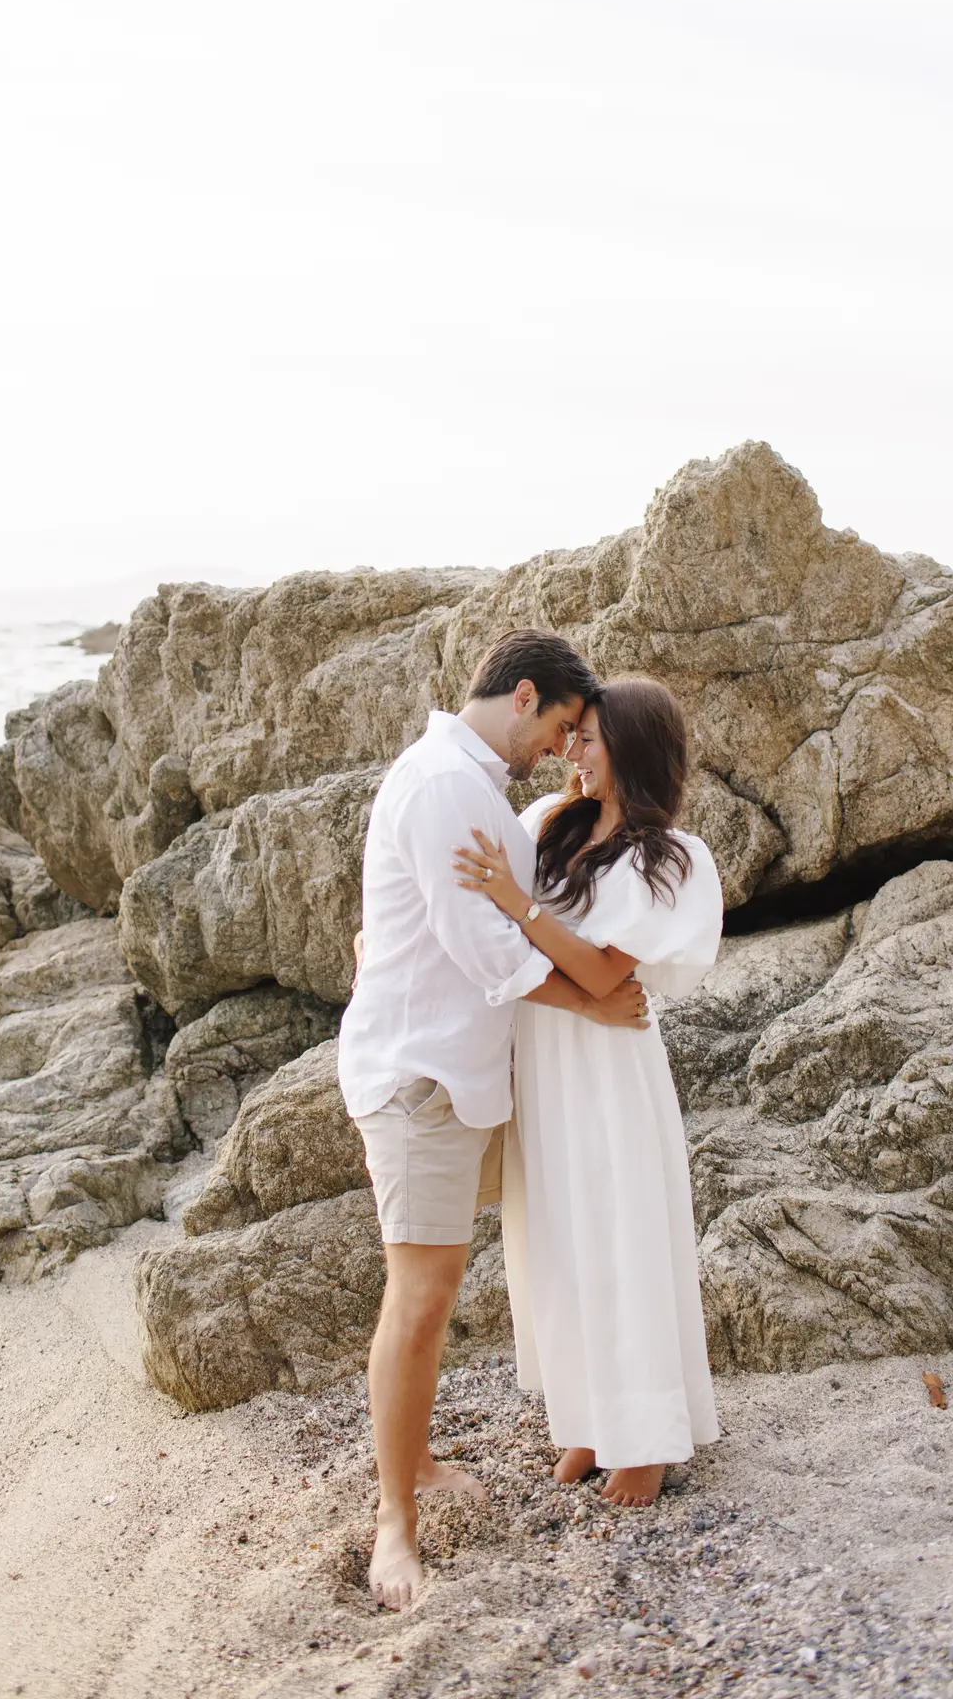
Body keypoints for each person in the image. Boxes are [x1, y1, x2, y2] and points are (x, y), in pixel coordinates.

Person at [339, 630, 653, 1611]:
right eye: (561, 725)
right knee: (420, 1295)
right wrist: (593, 1001)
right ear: (523, 696)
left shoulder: (476, 788)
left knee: (432, 1288)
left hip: (467, 1076)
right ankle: (395, 1521)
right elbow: (482, 948)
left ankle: (419, 1461)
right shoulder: (443, 784)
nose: (561, 747)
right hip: (420, 1075)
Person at [454, 674, 723, 1507]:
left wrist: (520, 907)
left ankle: (647, 1438)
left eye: (590, 738)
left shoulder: (667, 857)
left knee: (620, 1236)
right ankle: (590, 1421)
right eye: (573, 735)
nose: (572, 749)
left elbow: (606, 973)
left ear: (631, 749)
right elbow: (492, 922)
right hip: (547, 1055)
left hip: (609, 1065)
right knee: (559, 1238)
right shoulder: (548, 823)